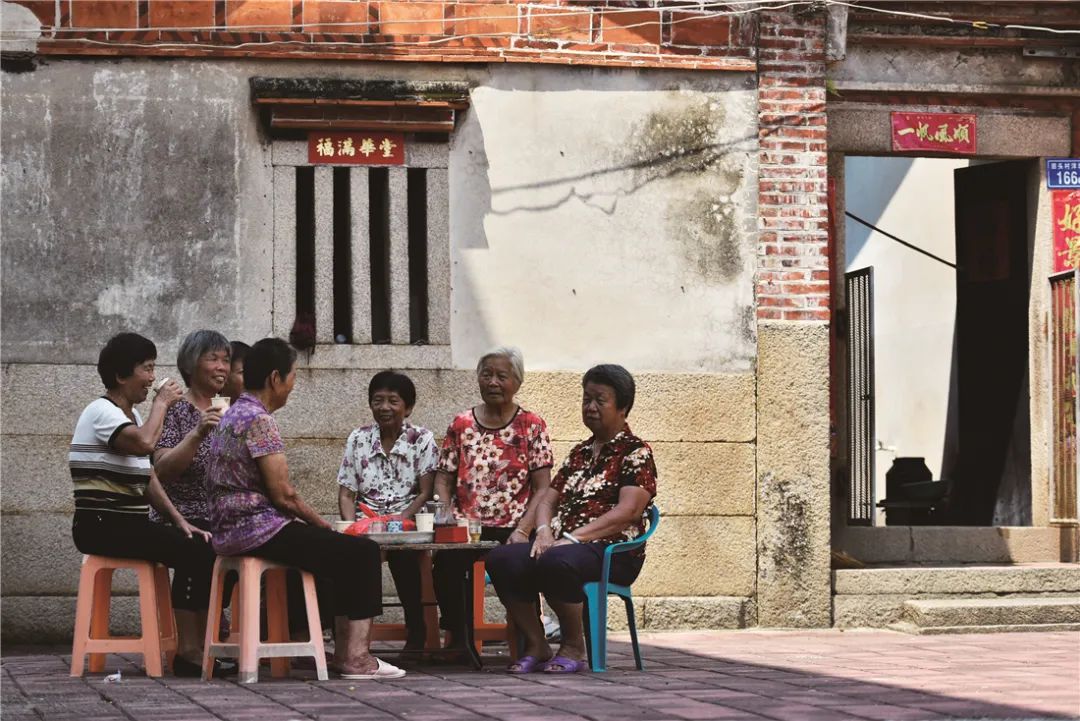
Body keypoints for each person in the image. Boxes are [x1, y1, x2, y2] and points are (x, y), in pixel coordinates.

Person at [206, 338, 404, 679]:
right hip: (256, 528)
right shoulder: (258, 419)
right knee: (362, 553)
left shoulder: (233, 413)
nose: (293, 385)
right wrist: (322, 525)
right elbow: (284, 494)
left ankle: (338, 652)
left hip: (229, 529)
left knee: (336, 556)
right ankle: (357, 659)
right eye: (293, 376)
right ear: (274, 378)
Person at [485, 364, 657, 674]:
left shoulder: (635, 452)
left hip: (613, 552)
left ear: (623, 407)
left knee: (558, 560)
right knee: (503, 558)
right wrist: (541, 532)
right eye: (586, 399)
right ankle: (537, 644)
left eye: (599, 400)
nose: (590, 407)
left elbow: (628, 511)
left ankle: (573, 646)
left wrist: (573, 539)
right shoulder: (579, 453)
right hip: (563, 545)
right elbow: (548, 498)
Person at [69, 332, 222, 676]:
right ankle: (188, 651)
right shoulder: (101, 412)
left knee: (199, 541)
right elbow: (143, 445)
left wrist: (180, 519)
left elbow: (148, 477)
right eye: (147, 368)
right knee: (195, 551)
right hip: (100, 525)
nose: (153, 378)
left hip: (130, 524)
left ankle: (198, 644)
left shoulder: (135, 417)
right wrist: (162, 404)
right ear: (122, 376)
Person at [432, 347, 553, 651]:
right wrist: (445, 510)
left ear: (518, 382)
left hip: (514, 525)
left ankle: (530, 638)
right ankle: (459, 638)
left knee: (518, 565)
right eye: (487, 375)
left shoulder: (532, 425)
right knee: (445, 566)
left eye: (502, 376)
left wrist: (524, 530)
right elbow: (444, 476)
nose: (493, 382)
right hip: (467, 526)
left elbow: (542, 487)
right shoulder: (461, 424)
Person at [337, 370, 438, 650]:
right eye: (377, 400)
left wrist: (398, 522)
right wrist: (352, 528)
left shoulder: (423, 439)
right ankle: (350, 635)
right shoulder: (358, 438)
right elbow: (346, 493)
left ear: (408, 407)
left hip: (406, 519)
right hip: (366, 522)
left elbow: (426, 491)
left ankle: (416, 626)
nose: (384, 408)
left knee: (403, 555)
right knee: (356, 554)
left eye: (393, 401)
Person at [150, 329, 231, 664]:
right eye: (213, 358)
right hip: (178, 513)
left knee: (250, 541)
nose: (222, 367)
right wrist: (199, 433)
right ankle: (188, 648)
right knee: (199, 544)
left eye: (226, 359)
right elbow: (163, 469)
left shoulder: (231, 409)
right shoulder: (177, 410)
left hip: (221, 512)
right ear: (190, 365)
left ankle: (214, 627)